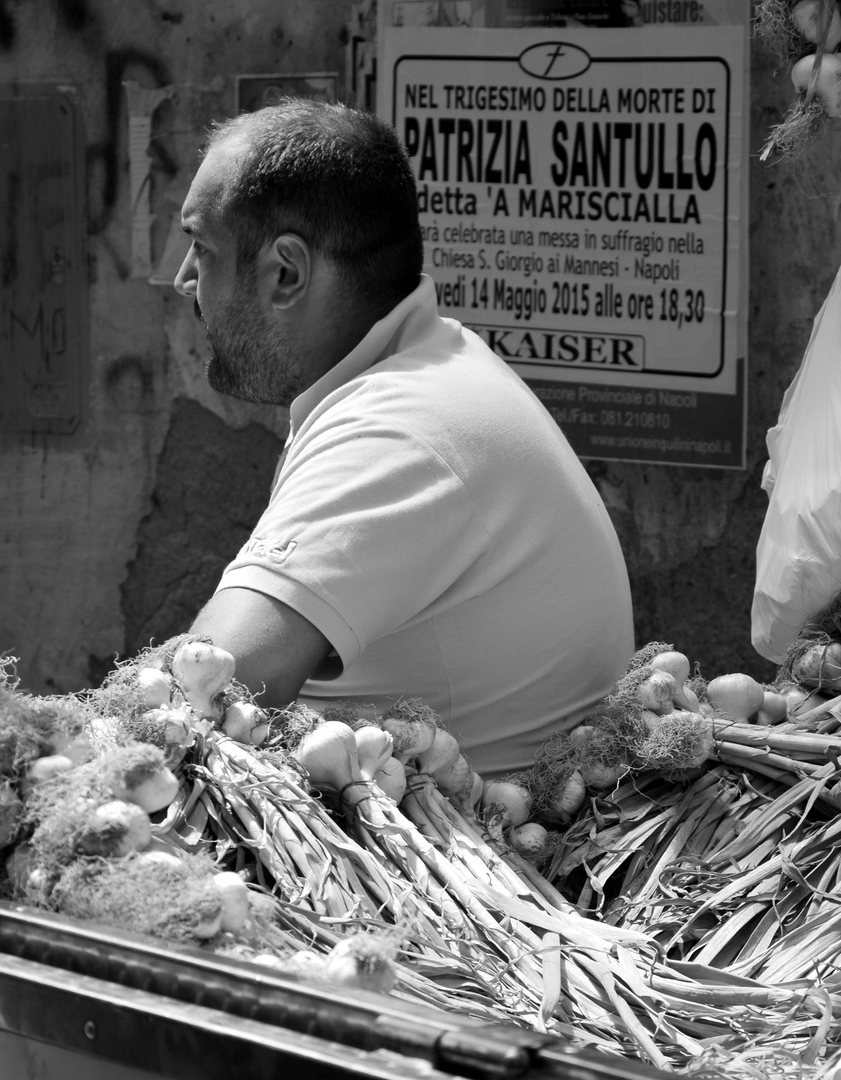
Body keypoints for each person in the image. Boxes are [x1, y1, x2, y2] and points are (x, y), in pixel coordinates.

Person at [172, 100, 633, 775]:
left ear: (286, 273)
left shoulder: (395, 428)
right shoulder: (426, 366)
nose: (185, 280)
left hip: (477, 860)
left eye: (201, 248)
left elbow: (200, 690)